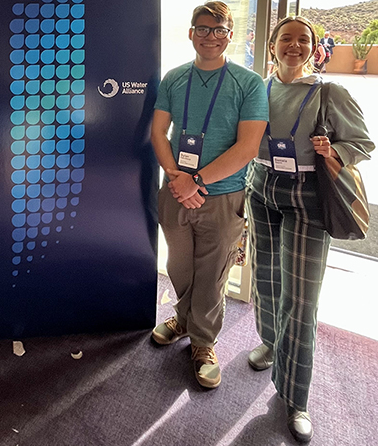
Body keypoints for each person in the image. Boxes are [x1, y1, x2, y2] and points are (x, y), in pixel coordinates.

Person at [245, 16, 374, 442]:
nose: (294, 46)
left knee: (300, 297)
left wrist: (333, 148)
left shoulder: (328, 92)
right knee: (264, 277)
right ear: (272, 46)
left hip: (307, 197)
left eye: (303, 40)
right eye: (286, 39)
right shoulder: (256, 88)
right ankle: (269, 342)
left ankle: (295, 396)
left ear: (314, 48)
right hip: (261, 186)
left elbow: (362, 143)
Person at [149, 1, 267, 389]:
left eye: (219, 30)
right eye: (203, 29)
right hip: (175, 191)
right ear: (191, 33)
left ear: (230, 35)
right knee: (181, 268)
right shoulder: (174, 78)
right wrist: (175, 177)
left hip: (222, 197)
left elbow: (248, 147)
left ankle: (202, 341)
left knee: (212, 273)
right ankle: (184, 318)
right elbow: (158, 133)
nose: (211, 36)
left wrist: (195, 181)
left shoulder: (248, 83)